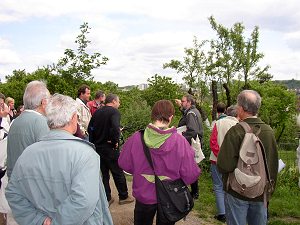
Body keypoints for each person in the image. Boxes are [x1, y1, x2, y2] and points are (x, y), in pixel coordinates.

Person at [5, 94, 113, 225]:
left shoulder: (28, 153)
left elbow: (13, 193)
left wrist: (39, 220)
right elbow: (83, 200)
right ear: (73, 118)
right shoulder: (85, 154)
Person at [119, 100, 201, 225]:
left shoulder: (136, 138)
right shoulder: (180, 141)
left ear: (152, 116)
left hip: (144, 196)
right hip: (170, 196)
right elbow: (191, 174)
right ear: (171, 117)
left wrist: (139, 170)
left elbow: (124, 164)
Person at [217, 90, 278, 225]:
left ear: (240, 108)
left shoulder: (236, 130)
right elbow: (273, 166)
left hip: (236, 190)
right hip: (260, 193)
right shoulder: (268, 132)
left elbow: (224, 165)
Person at [88, 93, 134, 206]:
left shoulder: (97, 111)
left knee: (104, 174)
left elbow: (90, 128)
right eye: (118, 101)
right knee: (117, 172)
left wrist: (94, 142)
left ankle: (107, 198)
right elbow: (114, 128)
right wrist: (115, 142)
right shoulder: (114, 112)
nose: (119, 103)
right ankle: (123, 196)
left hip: (98, 147)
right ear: (113, 101)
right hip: (110, 148)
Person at [7, 81, 50, 178]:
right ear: (43, 102)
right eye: (49, 100)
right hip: (33, 185)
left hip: (15, 183)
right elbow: (48, 160)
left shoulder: (16, 121)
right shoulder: (41, 122)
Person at [209, 105, 239, 223]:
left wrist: (219, 156)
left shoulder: (218, 123)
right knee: (231, 187)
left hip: (216, 160)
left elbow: (213, 142)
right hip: (233, 162)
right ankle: (232, 211)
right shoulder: (240, 125)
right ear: (237, 114)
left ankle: (222, 213)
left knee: (218, 186)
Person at [176, 94, 203, 199]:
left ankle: (194, 192)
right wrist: (181, 107)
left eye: (183, 101)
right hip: (194, 143)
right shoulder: (193, 111)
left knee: (190, 168)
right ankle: (194, 191)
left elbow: (193, 130)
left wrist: (180, 136)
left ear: (189, 102)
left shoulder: (191, 113)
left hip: (190, 144)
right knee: (192, 167)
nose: (181, 103)